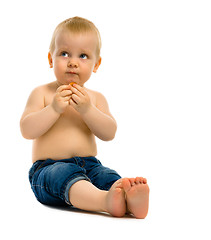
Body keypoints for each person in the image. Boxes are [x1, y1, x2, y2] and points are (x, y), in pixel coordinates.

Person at [20, 16, 149, 218]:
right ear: (50, 59)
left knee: (108, 177)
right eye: (64, 54)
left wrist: (87, 110)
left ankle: (128, 200)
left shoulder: (96, 99)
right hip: (48, 169)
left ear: (96, 64)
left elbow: (109, 133)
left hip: (90, 165)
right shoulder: (42, 93)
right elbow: (27, 130)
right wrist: (53, 108)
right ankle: (104, 201)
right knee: (64, 175)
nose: (72, 62)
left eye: (83, 56)